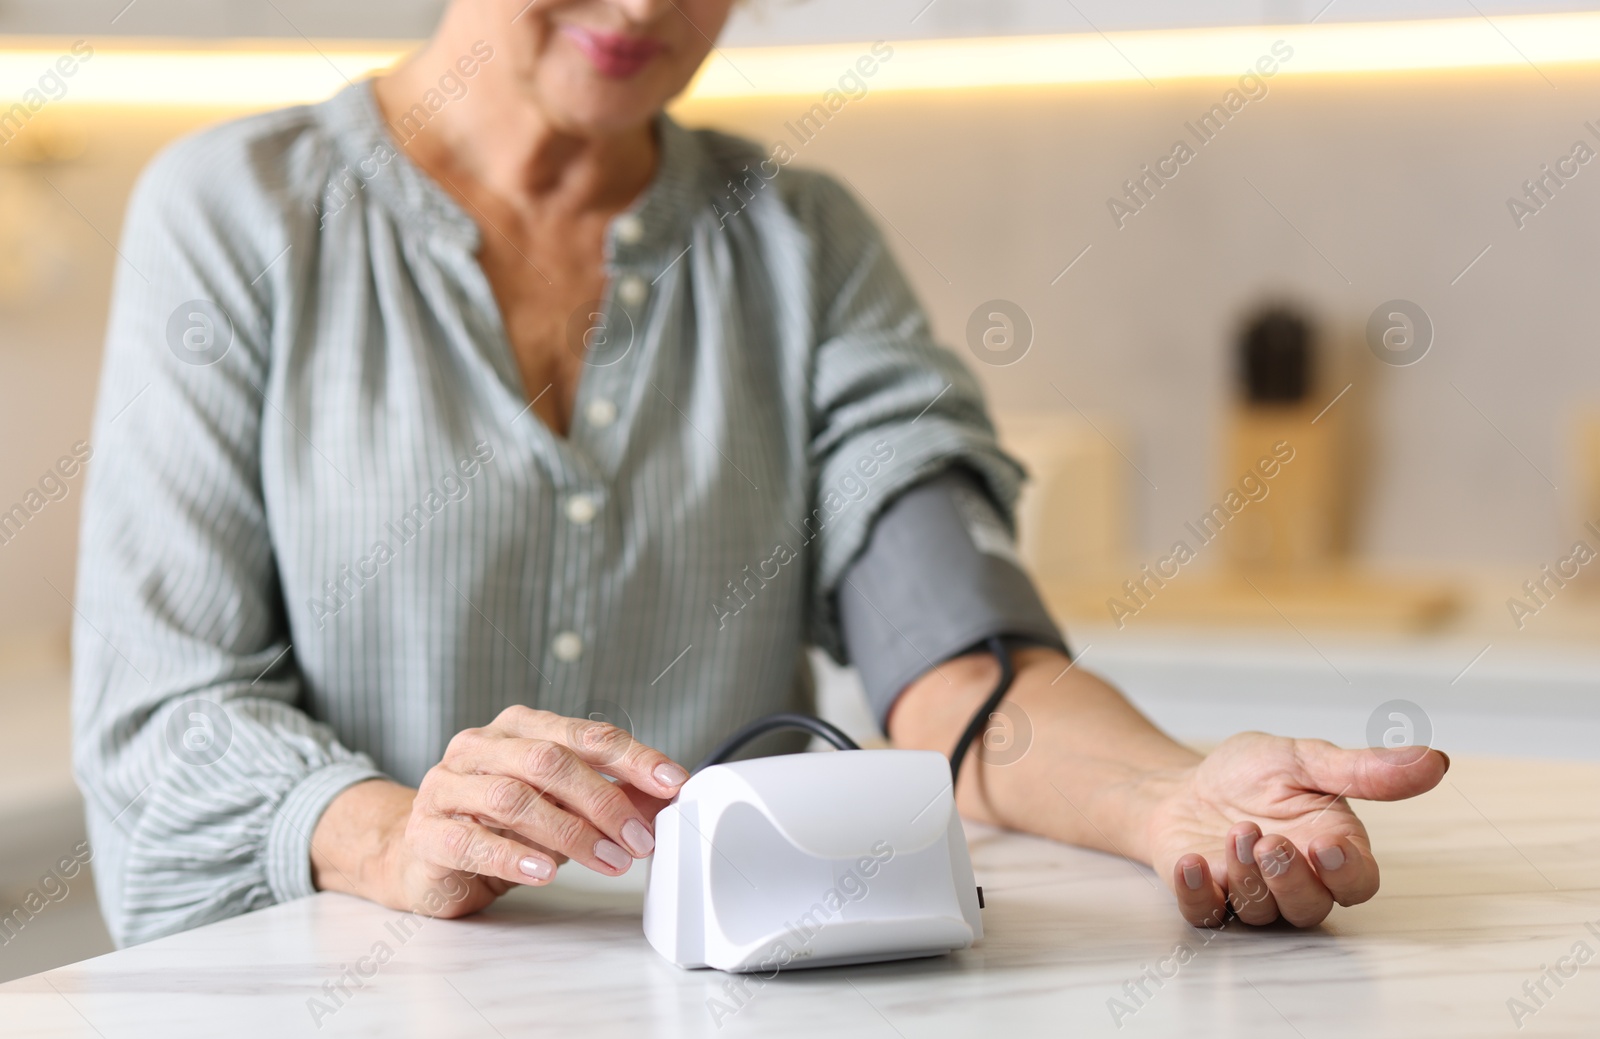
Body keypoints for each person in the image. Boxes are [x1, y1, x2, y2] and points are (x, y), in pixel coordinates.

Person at [73, 0, 1447, 948]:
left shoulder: (803, 244)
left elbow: (958, 664)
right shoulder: (236, 216)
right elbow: (166, 709)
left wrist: (1170, 797)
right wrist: (392, 838)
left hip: (712, 1018)